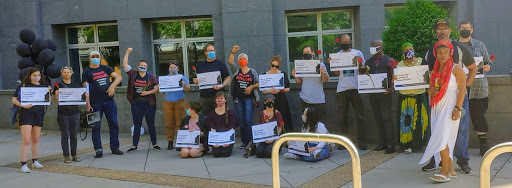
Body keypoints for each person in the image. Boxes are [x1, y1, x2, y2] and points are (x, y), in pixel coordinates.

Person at [421, 19, 477, 174]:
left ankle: (462, 161)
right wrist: (429, 89)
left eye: (445, 28)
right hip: (437, 99)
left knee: (460, 129)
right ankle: (436, 161)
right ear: (435, 32)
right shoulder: (430, 51)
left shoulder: (460, 48)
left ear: (450, 30)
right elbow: (425, 74)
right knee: (437, 129)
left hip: (456, 97)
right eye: (439, 29)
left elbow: (473, 69)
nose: (442, 31)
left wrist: (464, 88)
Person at [419, 40, 467, 183]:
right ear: (435, 54)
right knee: (445, 138)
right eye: (439, 52)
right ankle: (450, 168)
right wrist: (430, 91)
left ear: (451, 52)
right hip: (437, 108)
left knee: (442, 137)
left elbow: (463, 90)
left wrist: (457, 108)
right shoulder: (435, 71)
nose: (442, 54)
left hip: (450, 107)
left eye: (446, 51)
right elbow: (431, 89)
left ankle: (444, 171)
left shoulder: (456, 69)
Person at [457, 20, 493, 156]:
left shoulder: (479, 45)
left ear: (472, 30)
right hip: (458, 87)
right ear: (458, 29)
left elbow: (488, 60)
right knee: (458, 118)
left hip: (478, 88)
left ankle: (483, 145)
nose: (465, 30)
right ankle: (458, 149)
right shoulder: (454, 46)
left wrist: (488, 66)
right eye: (462, 28)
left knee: (478, 116)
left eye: (467, 28)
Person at [82, 50, 123, 158]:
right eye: (93, 56)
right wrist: (88, 104)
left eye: (97, 56)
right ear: (90, 58)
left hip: (109, 100)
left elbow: (118, 77)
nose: (95, 58)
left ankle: (115, 147)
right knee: (96, 126)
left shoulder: (106, 68)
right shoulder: (86, 71)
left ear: (100, 58)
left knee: (114, 124)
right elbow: (86, 88)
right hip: (95, 103)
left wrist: (112, 86)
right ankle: (98, 149)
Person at [331, 34, 367, 150]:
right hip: (342, 89)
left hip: (356, 88)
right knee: (342, 117)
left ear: (350, 41)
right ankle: (343, 143)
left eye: (347, 41)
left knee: (360, 116)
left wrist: (360, 64)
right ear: (340, 42)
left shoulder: (358, 53)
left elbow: (363, 70)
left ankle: (362, 142)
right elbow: (336, 74)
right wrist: (333, 64)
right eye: (343, 42)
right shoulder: (337, 55)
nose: (345, 43)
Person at [12, 67, 50, 173]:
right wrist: (23, 105)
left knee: (36, 139)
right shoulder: (23, 86)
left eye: (38, 75)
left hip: (38, 114)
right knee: (26, 140)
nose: (37, 77)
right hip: (26, 114)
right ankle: (23, 164)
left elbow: (48, 99)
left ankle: (35, 161)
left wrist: (49, 91)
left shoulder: (43, 86)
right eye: (34, 75)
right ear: (30, 76)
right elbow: (14, 99)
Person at [122, 48, 161, 153]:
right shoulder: (133, 74)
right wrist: (127, 52)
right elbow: (125, 65)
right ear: (138, 66)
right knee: (137, 124)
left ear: (147, 67)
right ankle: (134, 145)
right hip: (136, 103)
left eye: (144, 66)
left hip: (149, 103)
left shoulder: (151, 76)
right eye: (141, 65)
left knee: (151, 123)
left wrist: (147, 93)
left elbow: (157, 88)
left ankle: (155, 143)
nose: (142, 67)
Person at [394, 43, 429, 154]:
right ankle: (407, 145)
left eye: (410, 49)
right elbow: (397, 80)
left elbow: (426, 76)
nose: (408, 51)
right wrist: (395, 79)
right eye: (406, 50)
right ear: (402, 52)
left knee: (421, 120)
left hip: (419, 95)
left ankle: (422, 144)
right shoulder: (399, 64)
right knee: (406, 122)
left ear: (414, 50)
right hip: (405, 96)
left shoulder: (421, 62)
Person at [365, 40, 396, 154]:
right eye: (371, 46)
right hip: (373, 95)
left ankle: (390, 144)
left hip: (385, 94)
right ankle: (382, 142)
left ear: (381, 47)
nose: (372, 48)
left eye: (374, 46)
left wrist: (391, 88)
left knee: (387, 119)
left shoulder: (389, 61)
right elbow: (364, 76)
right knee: (378, 118)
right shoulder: (368, 62)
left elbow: (394, 76)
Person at [228, 45, 259, 149]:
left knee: (248, 119)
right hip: (237, 98)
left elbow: (259, 83)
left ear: (247, 60)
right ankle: (244, 141)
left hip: (249, 99)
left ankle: (250, 141)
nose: (242, 60)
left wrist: (252, 86)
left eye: (244, 59)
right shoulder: (236, 70)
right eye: (240, 59)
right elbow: (231, 62)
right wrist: (233, 52)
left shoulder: (252, 71)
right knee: (241, 120)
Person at [54, 66, 86, 163]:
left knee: (74, 135)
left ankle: (74, 154)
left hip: (75, 113)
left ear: (71, 73)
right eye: (64, 72)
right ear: (61, 73)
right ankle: (66, 156)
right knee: (65, 135)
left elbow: (81, 97)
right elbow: (56, 102)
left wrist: (86, 96)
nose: (66, 74)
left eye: (68, 72)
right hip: (63, 114)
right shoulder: (58, 85)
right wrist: (56, 94)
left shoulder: (76, 84)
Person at [291, 46, 329, 119]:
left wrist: (323, 73)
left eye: (308, 52)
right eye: (304, 53)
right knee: (306, 122)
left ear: (313, 53)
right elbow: (300, 82)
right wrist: (295, 76)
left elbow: (325, 80)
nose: (306, 54)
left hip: (318, 99)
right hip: (305, 99)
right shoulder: (300, 66)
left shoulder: (321, 65)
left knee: (319, 123)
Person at [193, 44, 231, 115]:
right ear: (205, 52)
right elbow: (194, 79)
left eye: (213, 50)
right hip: (204, 97)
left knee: (220, 116)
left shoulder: (221, 64)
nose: (212, 52)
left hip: (218, 96)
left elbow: (228, 78)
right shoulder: (200, 65)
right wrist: (196, 81)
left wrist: (222, 85)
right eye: (210, 51)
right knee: (206, 118)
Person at [162, 60, 191, 150]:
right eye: (171, 67)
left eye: (174, 67)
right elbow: (161, 91)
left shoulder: (182, 77)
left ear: (178, 68)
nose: (173, 69)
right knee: (169, 123)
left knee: (180, 122)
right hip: (167, 102)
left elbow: (188, 89)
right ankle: (170, 142)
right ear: (168, 68)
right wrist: (160, 86)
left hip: (180, 101)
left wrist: (184, 85)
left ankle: (180, 142)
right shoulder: (165, 78)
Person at [261, 55, 293, 132]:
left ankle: (284, 133)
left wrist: (281, 90)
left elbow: (288, 88)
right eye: (273, 66)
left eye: (277, 66)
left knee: (283, 117)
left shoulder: (283, 74)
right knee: (269, 117)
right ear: (270, 65)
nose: (274, 68)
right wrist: (270, 91)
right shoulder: (265, 75)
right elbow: (262, 91)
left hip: (281, 99)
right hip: (269, 99)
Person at [206, 91, 238, 158]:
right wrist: (214, 142)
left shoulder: (231, 113)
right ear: (215, 100)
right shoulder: (211, 113)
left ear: (225, 100)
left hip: (227, 138)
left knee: (225, 153)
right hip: (217, 138)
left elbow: (231, 128)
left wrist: (228, 141)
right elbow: (212, 129)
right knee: (216, 154)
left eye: (221, 98)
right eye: (218, 98)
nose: (219, 100)